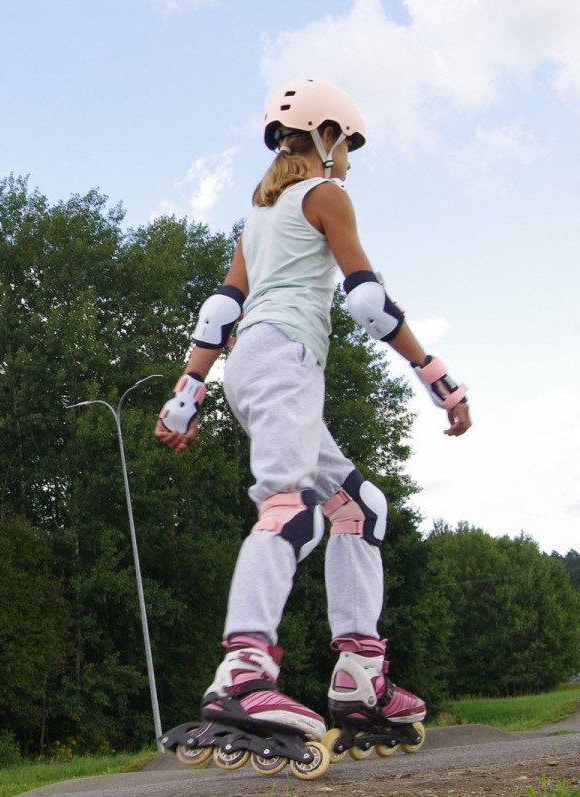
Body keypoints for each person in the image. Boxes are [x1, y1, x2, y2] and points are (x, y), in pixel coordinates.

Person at [154, 79, 471, 778]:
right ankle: (243, 670)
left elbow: (220, 310)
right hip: (286, 360)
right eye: (348, 145)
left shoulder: (260, 213)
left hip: (251, 365)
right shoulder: (326, 195)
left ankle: (360, 673)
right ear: (325, 137)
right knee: (292, 507)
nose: (351, 160)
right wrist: (437, 376)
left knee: (359, 507)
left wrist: (187, 395)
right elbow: (366, 298)